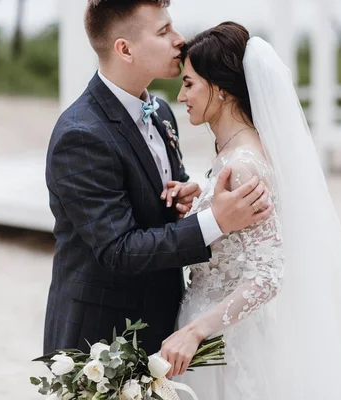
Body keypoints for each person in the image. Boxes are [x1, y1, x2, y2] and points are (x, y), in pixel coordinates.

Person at [43, 1, 273, 356]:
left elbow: (159, 200)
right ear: (124, 49)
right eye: (163, 32)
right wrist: (216, 220)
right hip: (103, 339)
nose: (180, 40)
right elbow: (118, 249)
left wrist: (192, 199)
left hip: (168, 325)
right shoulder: (81, 134)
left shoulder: (162, 112)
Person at [159, 22, 341, 399]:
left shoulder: (245, 164)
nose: (181, 96)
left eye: (190, 83)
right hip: (207, 330)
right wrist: (199, 200)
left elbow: (267, 275)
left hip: (225, 345)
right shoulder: (233, 154)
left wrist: (195, 331)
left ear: (220, 89)